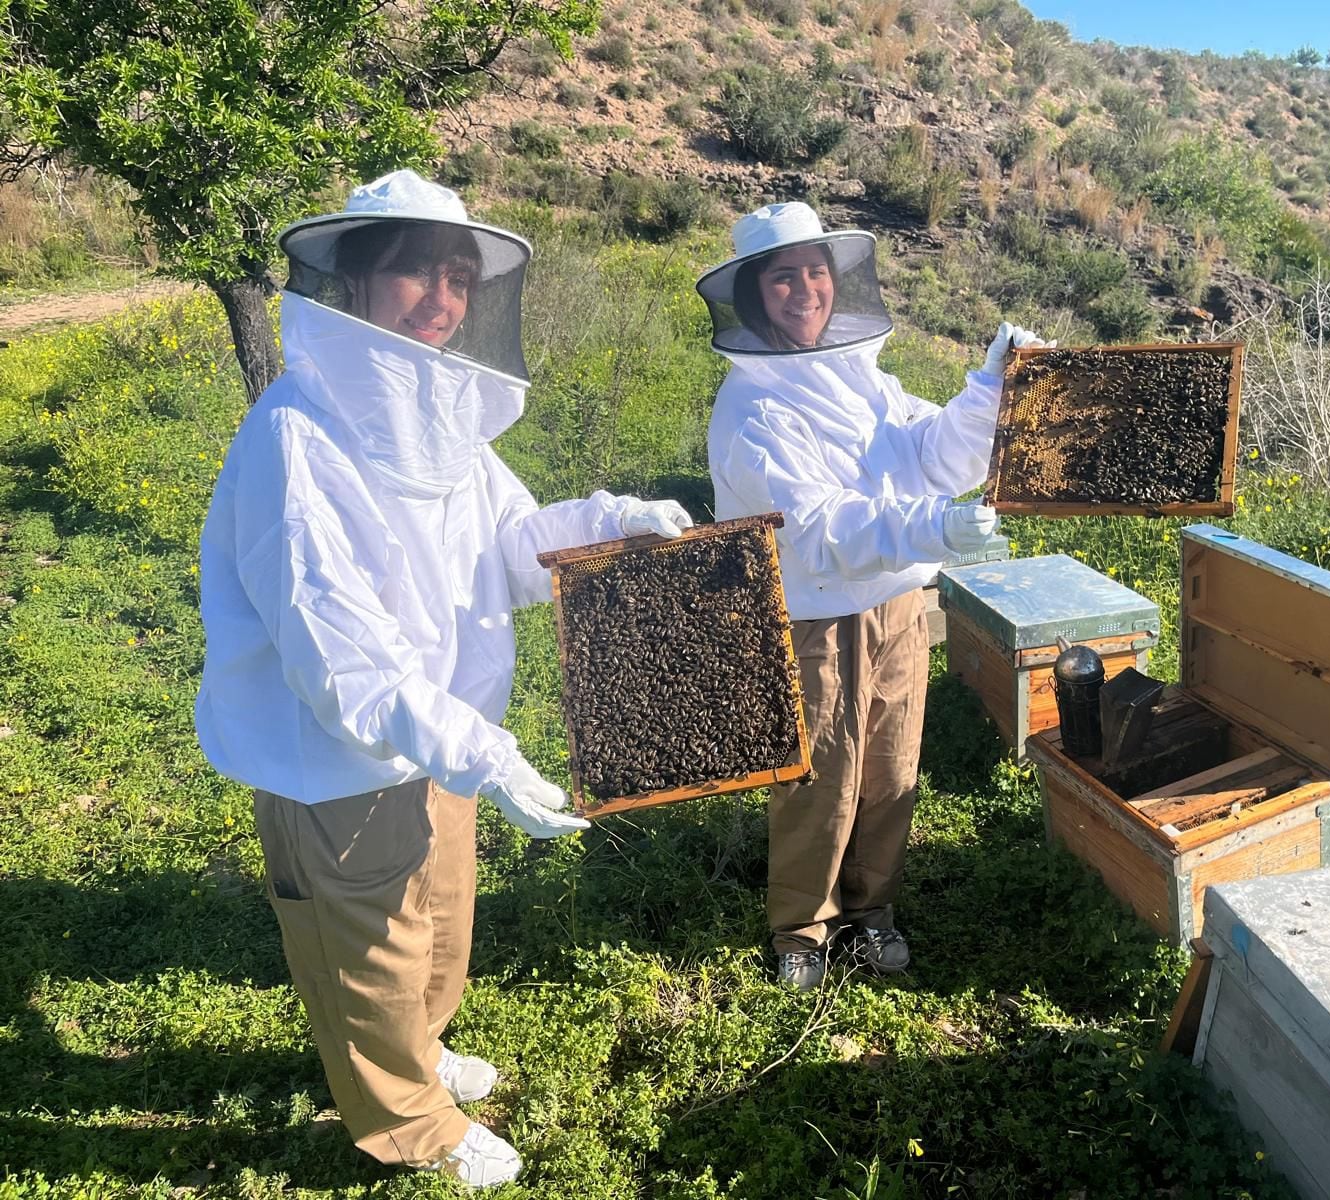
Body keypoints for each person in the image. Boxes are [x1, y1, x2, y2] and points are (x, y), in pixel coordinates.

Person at [194, 170, 691, 1187]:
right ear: (359, 284)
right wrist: (484, 750)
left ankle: (419, 1055)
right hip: (335, 756)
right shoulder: (299, 437)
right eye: (419, 271)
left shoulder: (439, 415)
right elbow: (337, 658)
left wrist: (611, 522)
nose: (443, 297)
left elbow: (506, 547)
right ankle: (405, 1123)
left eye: (460, 278)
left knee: (439, 912)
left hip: (444, 731)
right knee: (366, 947)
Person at [698, 202, 1047, 991]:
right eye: (783, 277)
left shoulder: (863, 379)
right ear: (753, 296)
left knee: (890, 769)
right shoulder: (752, 408)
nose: (805, 290)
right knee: (818, 779)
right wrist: (935, 530)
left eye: (815, 272)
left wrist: (992, 387)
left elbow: (932, 454)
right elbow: (820, 527)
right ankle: (803, 930)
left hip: (895, 608)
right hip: (812, 615)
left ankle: (871, 912)